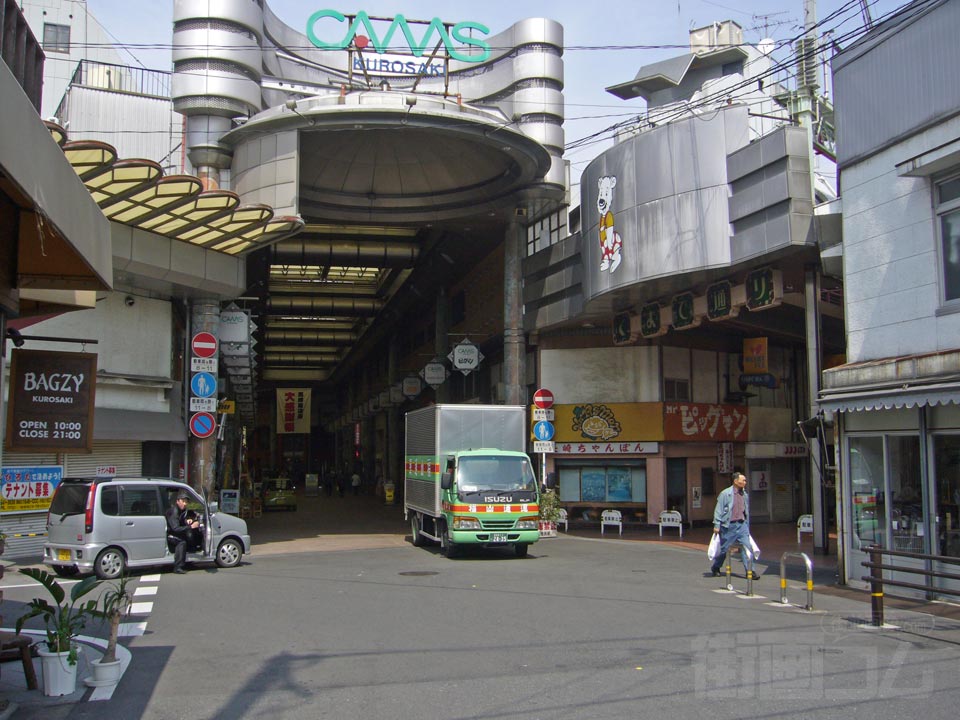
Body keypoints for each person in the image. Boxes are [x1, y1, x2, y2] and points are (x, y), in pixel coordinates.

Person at [709, 472, 759, 580]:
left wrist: (747, 524)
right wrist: (717, 524)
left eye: (745, 480)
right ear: (736, 481)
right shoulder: (725, 494)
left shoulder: (744, 494)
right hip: (729, 526)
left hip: (742, 525)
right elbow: (719, 510)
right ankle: (716, 567)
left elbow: (746, 510)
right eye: (743, 480)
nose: (745, 482)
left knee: (747, 547)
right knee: (724, 549)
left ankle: (750, 570)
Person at [166, 491, 201, 574]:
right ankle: (178, 567)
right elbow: (175, 528)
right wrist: (190, 527)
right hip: (171, 535)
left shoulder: (183, 510)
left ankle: (188, 561)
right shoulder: (174, 511)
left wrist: (189, 520)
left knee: (193, 536)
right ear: (177, 501)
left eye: (186, 501)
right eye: (183, 501)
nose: (185, 503)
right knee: (181, 542)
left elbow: (186, 516)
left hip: (178, 533)